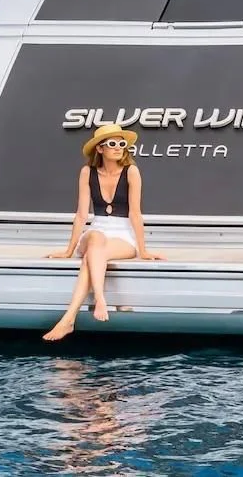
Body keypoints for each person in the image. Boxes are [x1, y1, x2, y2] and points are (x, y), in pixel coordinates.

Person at [41, 123, 163, 341]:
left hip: (123, 233)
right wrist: (69, 250)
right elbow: (81, 214)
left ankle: (70, 318)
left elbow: (136, 214)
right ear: (100, 148)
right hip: (97, 228)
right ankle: (99, 298)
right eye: (112, 144)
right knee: (95, 239)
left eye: (122, 144)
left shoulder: (131, 171)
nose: (118, 148)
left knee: (92, 254)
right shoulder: (87, 172)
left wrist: (143, 251)